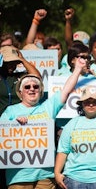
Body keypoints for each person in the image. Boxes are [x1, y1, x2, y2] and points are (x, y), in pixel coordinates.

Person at [0, 57, 88, 188]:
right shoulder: (10, 111)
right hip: (19, 175)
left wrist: (78, 69)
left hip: (46, 175)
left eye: (36, 86)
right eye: (27, 87)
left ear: (40, 91)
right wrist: (15, 126)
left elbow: (66, 90)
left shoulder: (48, 107)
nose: (32, 89)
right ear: (20, 92)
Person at [0, 45, 41, 114]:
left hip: (20, 119)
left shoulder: (19, 76)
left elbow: (37, 77)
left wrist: (22, 59)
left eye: (14, 62)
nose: (12, 65)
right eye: (8, 62)